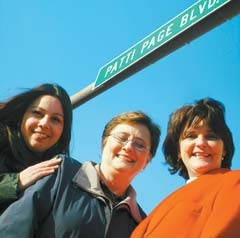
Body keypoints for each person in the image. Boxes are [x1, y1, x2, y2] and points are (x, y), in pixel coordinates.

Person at [0, 111, 161, 238]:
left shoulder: (141, 223)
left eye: (139, 144)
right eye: (122, 138)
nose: (129, 147)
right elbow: (12, 227)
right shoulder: (61, 171)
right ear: (103, 144)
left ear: (147, 161)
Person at [131, 98, 240, 238]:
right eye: (191, 136)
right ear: (178, 151)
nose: (201, 143)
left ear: (224, 149)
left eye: (211, 136)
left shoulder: (234, 182)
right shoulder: (159, 208)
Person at [0, 83, 72, 214]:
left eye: (55, 119)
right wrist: (16, 182)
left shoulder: (59, 172)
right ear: (22, 115)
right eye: (37, 113)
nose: (44, 123)